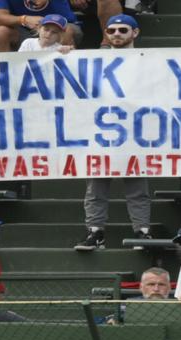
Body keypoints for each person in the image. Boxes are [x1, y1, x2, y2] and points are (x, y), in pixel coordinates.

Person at [75, 14, 152, 250]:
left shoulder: (150, 61)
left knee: (137, 187)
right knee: (96, 187)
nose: (116, 34)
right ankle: (95, 232)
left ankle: (142, 232)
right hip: (101, 131)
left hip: (136, 132)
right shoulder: (92, 60)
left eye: (122, 30)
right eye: (111, 31)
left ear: (135, 33)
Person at [0, 0, 79, 53]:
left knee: (67, 31)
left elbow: (66, 21)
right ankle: (4, 76)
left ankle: (68, 74)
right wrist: (24, 19)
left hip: (58, 26)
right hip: (22, 29)